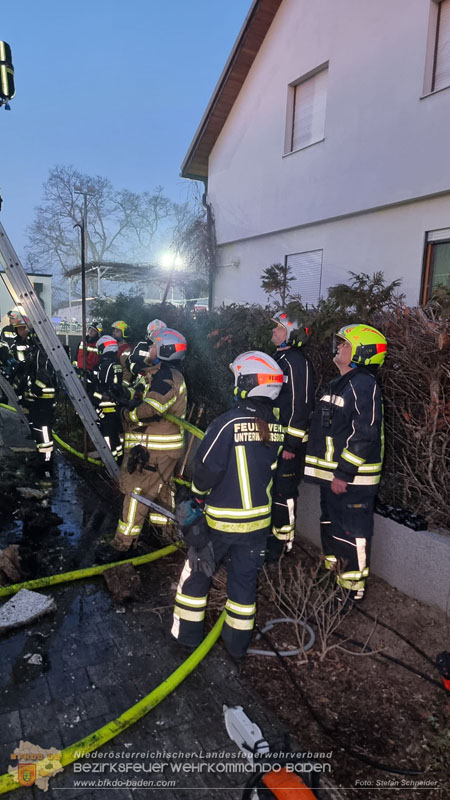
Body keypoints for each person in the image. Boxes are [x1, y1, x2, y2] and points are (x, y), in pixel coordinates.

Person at [171, 351, 285, 662]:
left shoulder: (226, 423)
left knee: (195, 578)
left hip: (219, 525)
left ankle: (187, 638)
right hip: (257, 527)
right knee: (243, 590)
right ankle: (236, 646)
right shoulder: (276, 428)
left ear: (246, 383)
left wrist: (194, 496)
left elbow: (206, 471)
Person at [304, 323, 387, 606]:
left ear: (361, 353)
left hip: (352, 481)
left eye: (345, 344)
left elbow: (364, 433)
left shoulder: (364, 385)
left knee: (352, 533)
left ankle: (352, 589)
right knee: (331, 525)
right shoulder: (343, 383)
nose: (338, 347)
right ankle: (335, 573)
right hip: (335, 478)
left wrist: (343, 473)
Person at [97, 327, 188, 561]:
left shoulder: (167, 377)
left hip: (155, 449)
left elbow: (151, 408)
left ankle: (123, 545)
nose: (150, 349)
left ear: (166, 350)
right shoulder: (157, 373)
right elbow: (141, 395)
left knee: (136, 493)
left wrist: (128, 414)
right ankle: (164, 536)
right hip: (157, 448)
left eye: (154, 345)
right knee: (161, 491)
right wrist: (124, 394)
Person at [266, 311, 315, 561]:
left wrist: (291, 444)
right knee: (273, 491)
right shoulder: (280, 359)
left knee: (284, 494)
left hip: (288, 444)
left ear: (291, 334)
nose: (273, 332)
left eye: (279, 328)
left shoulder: (296, 363)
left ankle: (283, 543)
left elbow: (300, 406)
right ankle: (272, 536)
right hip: (274, 440)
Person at [8, 315, 56, 466]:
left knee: (43, 428)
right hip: (37, 397)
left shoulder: (44, 352)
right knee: (36, 427)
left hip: (45, 398)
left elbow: (45, 373)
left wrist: (36, 388)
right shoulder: (34, 351)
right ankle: (40, 453)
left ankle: (46, 459)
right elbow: (30, 371)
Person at [90, 335, 123, 459]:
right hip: (115, 407)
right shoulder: (115, 363)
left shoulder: (106, 365)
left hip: (107, 408)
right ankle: (118, 458)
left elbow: (101, 387)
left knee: (108, 436)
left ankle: (111, 460)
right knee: (115, 435)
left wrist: (93, 398)